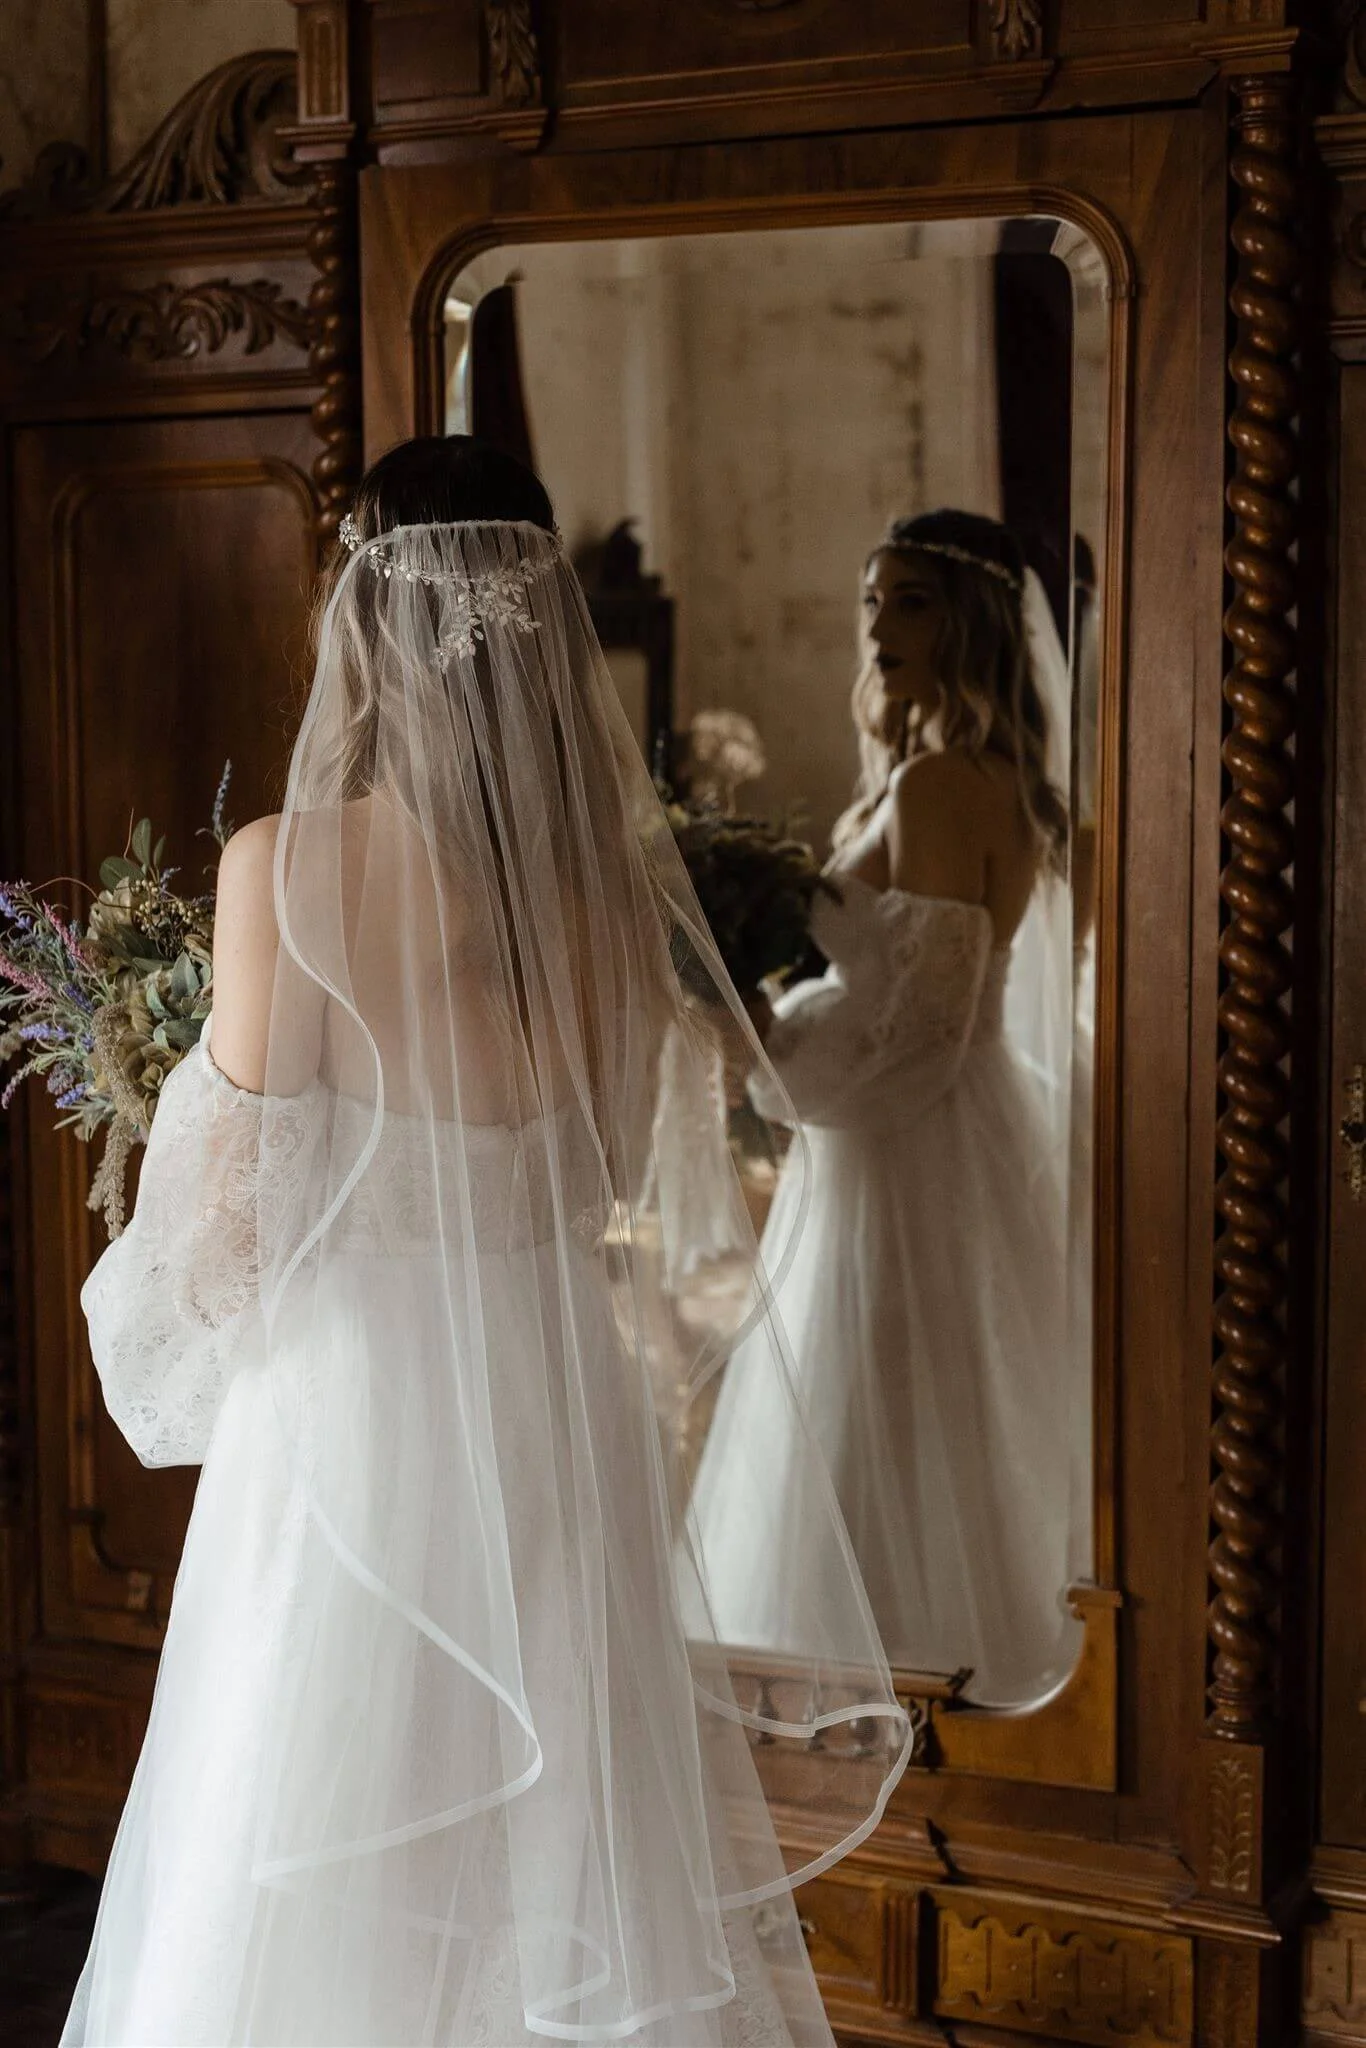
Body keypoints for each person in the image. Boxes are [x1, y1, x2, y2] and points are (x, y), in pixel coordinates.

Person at [62, 437, 910, 2047]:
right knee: (542, 1850)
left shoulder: (287, 870)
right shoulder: (600, 901)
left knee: (315, 1831)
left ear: (368, 619)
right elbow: (590, 1168)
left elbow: (230, 1248)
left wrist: (166, 1114)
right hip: (546, 1397)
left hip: (358, 1417)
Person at [690, 509, 1085, 1708]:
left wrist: (760, 1050)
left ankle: (887, 1719)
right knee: (907, 1419)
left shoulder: (936, 784)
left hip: (908, 1156)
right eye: (871, 601)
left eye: (909, 600)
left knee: (886, 1416)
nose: (879, 626)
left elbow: (921, 1033)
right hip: (910, 1145)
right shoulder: (947, 777)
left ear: (966, 624)